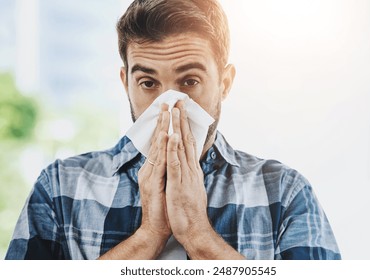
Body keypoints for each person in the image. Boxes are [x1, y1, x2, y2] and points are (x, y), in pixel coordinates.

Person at [5, 0, 341, 260]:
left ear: (225, 82)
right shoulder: (60, 188)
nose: (169, 104)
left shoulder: (284, 193)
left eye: (190, 81)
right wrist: (149, 235)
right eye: (148, 83)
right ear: (126, 84)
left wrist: (198, 235)